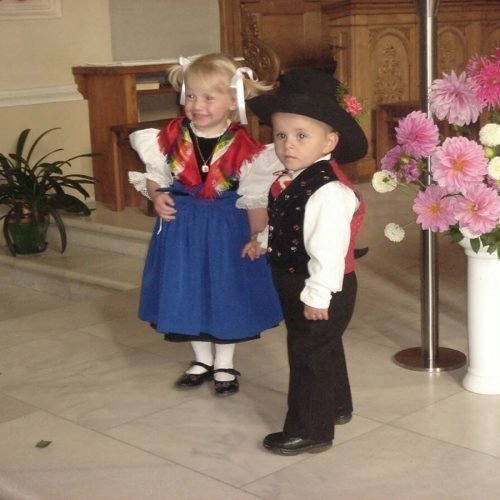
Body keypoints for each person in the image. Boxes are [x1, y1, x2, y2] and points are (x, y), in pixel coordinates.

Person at [128, 53, 282, 396]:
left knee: (225, 291)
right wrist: (156, 196)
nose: (198, 105)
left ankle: (224, 363)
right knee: (189, 290)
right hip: (182, 228)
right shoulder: (166, 139)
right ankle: (201, 359)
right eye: (191, 96)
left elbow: (255, 197)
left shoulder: (248, 150)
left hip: (227, 229)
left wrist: (260, 235)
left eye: (209, 97)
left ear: (232, 101)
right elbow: (156, 177)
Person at [243, 68, 368, 454]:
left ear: (329, 140)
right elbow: (288, 220)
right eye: (281, 135)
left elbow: (329, 250)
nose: (288, 145)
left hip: (320, 285)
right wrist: (263, 238)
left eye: (301, 135)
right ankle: (336, 405)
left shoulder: (328, 192)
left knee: (307, 354)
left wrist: (317, 295)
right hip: (301, 280)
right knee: (324, 346)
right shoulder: (293, 178)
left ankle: (310, 430)